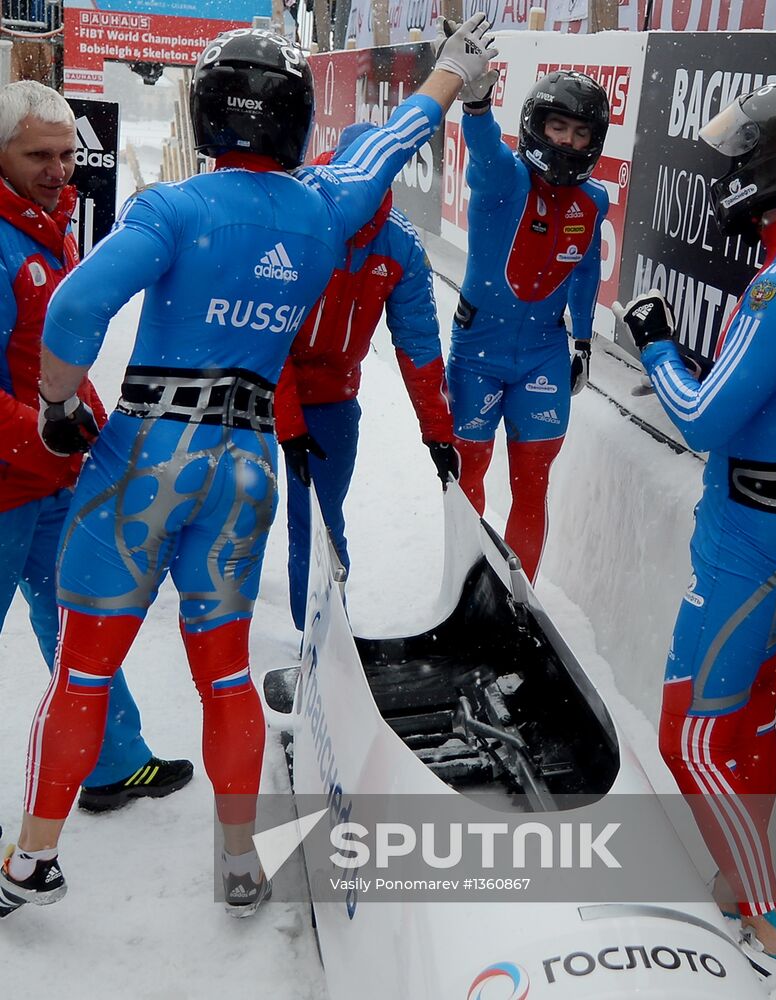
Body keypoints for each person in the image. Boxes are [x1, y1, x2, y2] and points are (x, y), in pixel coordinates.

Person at [0, 17, 497, 918]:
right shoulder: (321, 210)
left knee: (83, 669)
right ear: (294, 120)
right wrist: (451, 75)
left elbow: (75, 311)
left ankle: (33, 858)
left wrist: (62, 407)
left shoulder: (173, 208)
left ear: (205, 114)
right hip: (246, 459)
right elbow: (389, 145)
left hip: (149, 450)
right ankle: (237, 860)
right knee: (223, 672)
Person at [617, 81, 776, 982]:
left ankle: (764, 917)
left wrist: (652, 339)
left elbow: (704, 417)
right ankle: (737, 876)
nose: (732, 170)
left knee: (689, 736)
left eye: (744, 153)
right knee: (747, 713)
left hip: (755, 537)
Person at [0, 82, 192, 834]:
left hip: (46, 479)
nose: (58, 169)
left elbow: (54, 361)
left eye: (66, 154)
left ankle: (113, 762)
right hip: (7, 481)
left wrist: (89, 430)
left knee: (77, 620)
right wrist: (41, 431)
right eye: (38, 155)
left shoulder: (48, 224)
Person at [276, 121, 457, 632]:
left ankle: (320, 641)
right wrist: (287, 423)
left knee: (317, 521)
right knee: (238, 510)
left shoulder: (398, 243)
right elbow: (264, 334)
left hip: (331, 395)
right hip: (256, 381)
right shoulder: (295, 213)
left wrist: (438, 434)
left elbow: (418, 345)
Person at [446, 69, 609, 583]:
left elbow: (584, 269)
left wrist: (582, 340)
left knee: (532, 485)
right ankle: (464, 590)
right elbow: (488, 148)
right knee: (466, 473)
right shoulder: (506, 179)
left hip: (544, 353)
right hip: (478, 354)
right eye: (559, 127)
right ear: (536, 125)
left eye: (582, 133)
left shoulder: (594, 200)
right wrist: (475, 106)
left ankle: (518, 605)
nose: (569, 141)